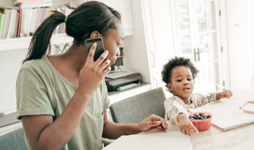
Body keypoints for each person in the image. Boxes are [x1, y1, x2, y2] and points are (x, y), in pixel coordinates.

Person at [16, 1, 168, 150]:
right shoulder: (34, 73)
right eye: (118, 43)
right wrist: (85, 91)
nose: (118, 52)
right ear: (95, 38)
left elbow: (102, 127)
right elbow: (42, 147)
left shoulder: (96, 72)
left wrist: (138, 128)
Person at [161, 57, 233, 136]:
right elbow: (175, 108)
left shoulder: (194, 97)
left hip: (196, 134)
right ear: (170, 86)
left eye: (189, 79)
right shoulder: (171, 101)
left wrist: (220, 95)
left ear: (193, 82)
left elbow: (206, 98)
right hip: (177, 136)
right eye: (179, 80)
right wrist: (182, 118)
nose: (185, 82)